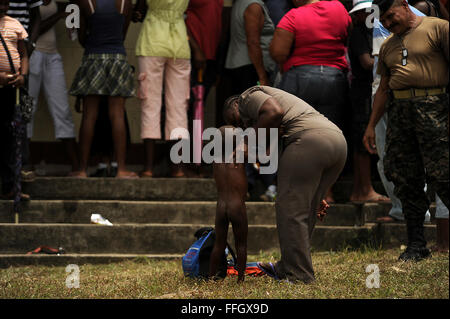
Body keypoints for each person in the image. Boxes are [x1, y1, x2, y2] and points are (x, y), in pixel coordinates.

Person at [224, 86, 347, 283]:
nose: (242, 127)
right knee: (305, 208)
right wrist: (314, 193)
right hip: (337, 143)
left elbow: (274, 111)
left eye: (239, 121)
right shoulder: (274, 126)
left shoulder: (249, 96)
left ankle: (300, 275)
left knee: (289, 209)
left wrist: (245, 143)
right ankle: (288, 266)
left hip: (310, 140)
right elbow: (273, 160)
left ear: (237, 104)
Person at [363, 0, 449, 261]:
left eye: (391, 16)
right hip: (399, 111)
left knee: (443, 173)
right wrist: (370, 126)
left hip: (435, 107)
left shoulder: (439, 28)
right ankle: (416, 245)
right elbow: (383, 89)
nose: (388, 24)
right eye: (384, 21)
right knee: (405, 176)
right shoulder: (388, 43)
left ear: (404, 4)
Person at [270, 0, 352, 203]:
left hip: (301, 77)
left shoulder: (293, 16)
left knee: (293, 133)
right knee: (330, 135)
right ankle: (327, 193)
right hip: (334, 77)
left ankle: (294, 191)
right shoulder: (340, 9)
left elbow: (278, 52)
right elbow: (349, 34)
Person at [69, 0, 137, 179]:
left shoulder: (86, 2)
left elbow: (82, 36)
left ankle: (82, 169)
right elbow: (122, 34)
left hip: (93, 57)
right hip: (117, 58)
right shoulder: (125, 2)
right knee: (118, 114)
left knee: (89, 115)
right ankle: (121, 169)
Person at [134, 0, 191, 178]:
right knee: (178, 108)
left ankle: (149, 167)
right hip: (179, 41)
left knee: (150, 105)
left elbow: (140, 9)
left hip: (152, 40)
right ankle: (177, 168)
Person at [27, 0, 79, 175]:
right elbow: (34, 28)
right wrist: (58, 16)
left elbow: (70, 10)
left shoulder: (56, 2)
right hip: (33, 56)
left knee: (62, 108)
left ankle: (76, 165)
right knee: (28, 109)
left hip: (52, 55)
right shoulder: (31, 2)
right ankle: (25, 163)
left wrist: (71, 14)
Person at [347, 0, 390, 203]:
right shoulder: (359, 33)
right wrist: (390, 59)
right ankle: (364, 189)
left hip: (372, 90)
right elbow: (366, 62)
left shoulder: (375, 31)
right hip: (364, 91)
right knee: (364, 140)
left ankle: (362, 189)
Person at [6, 0, 41, 182]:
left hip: (20, 58)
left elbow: (37, 17)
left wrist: (31, 44)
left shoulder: (18, 26)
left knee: (21, 114)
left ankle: (22, 165)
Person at [209, 125, 248, 282]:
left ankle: (211, 277)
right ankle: (241, 279)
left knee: (219, 244)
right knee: (241, 244)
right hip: (237, 206)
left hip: (221, 206)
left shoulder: (215, 161)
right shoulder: (239, 158)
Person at [0, 0, 29, 199]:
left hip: (11, 89)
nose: (2, 6)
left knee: (11, 137)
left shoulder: (15, 24)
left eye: (5, 3)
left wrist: (22, 76)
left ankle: (11, 186)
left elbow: (24, 54)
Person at [225, 0, 277, 94]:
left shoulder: (240, 2)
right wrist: (262, 76)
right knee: (252, 106)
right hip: (250, 68)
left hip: (240, 64)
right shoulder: (253, 6)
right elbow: (253, 42)